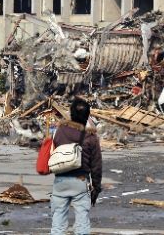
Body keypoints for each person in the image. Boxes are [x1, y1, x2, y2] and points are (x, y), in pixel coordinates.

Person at [50, 99, 102, 235]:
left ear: (71, 114)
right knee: (82, 222)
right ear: (87, 116)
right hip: (80, 181)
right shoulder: (91, 137)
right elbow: (96, 166)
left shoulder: (59, 131)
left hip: (60, 180)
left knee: (58, 221)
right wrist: (96, 188)